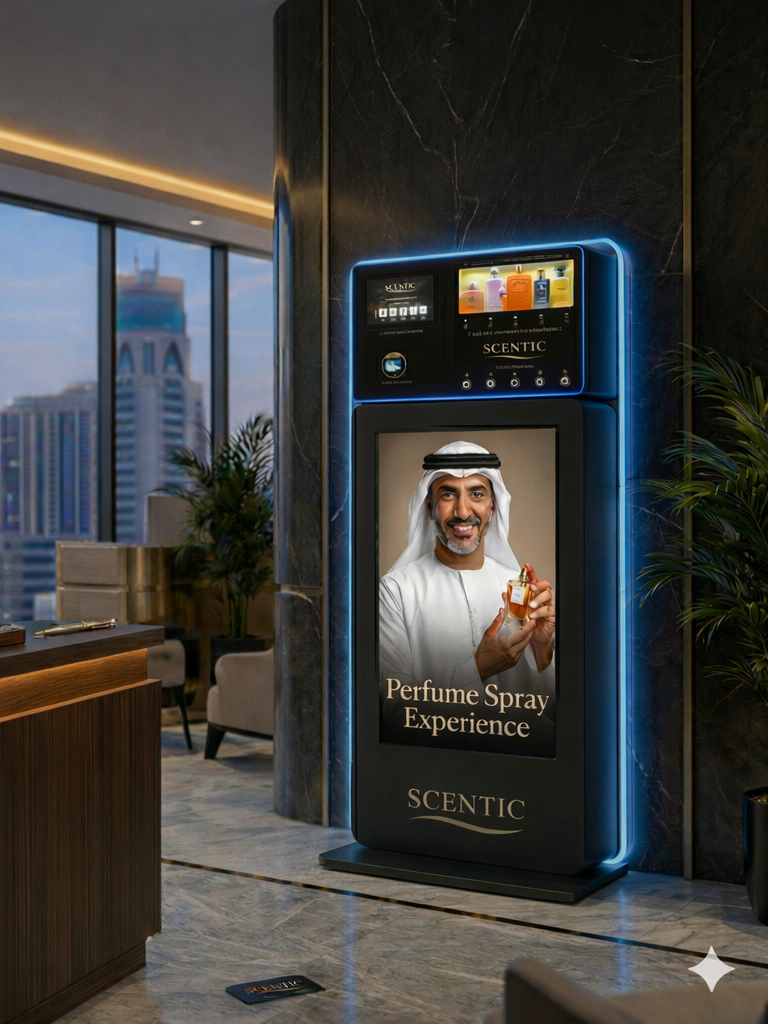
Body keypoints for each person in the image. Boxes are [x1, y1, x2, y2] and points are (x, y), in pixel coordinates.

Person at [379, 441, 555, 705]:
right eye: (448, 495)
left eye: (476, 494)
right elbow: (393, 713)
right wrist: (478, 668)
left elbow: (550, 708)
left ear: (493, 507)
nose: (462, 512)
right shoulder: (395, 591)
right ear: (429, 508)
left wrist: (543, 647)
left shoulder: (517, 588)